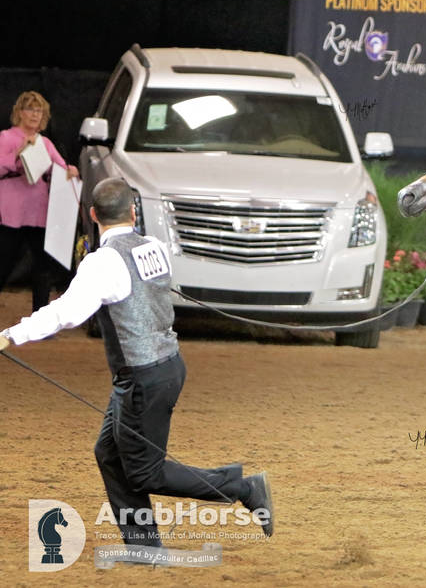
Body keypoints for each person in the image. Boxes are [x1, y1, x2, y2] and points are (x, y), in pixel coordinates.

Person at [0, 177, 274, 548]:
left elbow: (68, 312)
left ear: (93, 215)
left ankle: (243, 487)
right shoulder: (154, 246)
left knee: (146, 473)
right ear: (133, 211)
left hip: (143, 377)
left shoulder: (103, 262)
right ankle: (143, 546)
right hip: (162, 367)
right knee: (109, 454)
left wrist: (11, 334)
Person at [0, 91, 80, 312]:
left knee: (42, 268)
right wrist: (17, 154)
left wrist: (70, 172)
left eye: (39, 110)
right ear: (19, 112)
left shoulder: (44, 142)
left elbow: (62, 168)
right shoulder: (6, 137)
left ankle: (40, 317)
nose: (35, 114)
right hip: (12, 212)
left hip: (39, 213)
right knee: (3, 264)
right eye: (30, 109)